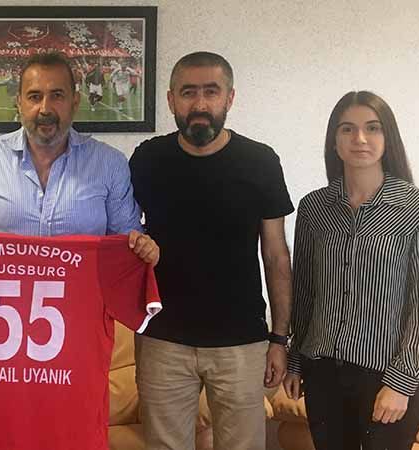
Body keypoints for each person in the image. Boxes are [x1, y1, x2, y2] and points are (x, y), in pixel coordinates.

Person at [128, 51, 294, 450]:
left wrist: (279, 338)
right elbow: (125, 238)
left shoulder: (260, 161)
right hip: (162, 339)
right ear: (171, 100)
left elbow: (276, 256)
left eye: (211, 92)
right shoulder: (148, 159)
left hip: (242, 341)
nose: (200, 104)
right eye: (188, 93)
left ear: (229, 98)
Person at [284, 91, 419, 450]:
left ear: (388, 137)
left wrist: (401, 383)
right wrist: (295, 361)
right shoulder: (314, 208)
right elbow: (305, 291)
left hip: (386, 378)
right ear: (334, 140)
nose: (360, 138)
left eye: (373, 128)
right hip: (322, 374)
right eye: (347, 129)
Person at [0, 51, 158, 263]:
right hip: (0, 299)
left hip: (83, 298)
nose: (45, 109)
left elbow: (126, 239)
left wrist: (142, 247)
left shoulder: (110, 163)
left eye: (57, 95)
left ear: (75, 102)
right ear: (19, 103)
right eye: (34, 96)